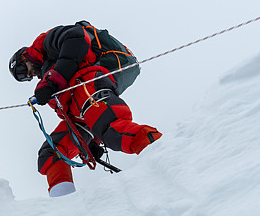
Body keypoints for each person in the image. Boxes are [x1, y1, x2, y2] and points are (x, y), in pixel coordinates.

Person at [9, 21, 161, 197]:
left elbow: (76, 36)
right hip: (78, 114)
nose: (28, 76)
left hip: (88, 87)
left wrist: (51, 82)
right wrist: (93, 142)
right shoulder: (47, 73)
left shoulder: (43, 45)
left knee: (113, 131)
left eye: (22, 71)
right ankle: (63, 205)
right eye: (23, 79)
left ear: (23, 57)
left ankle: (168, 156)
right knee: (51, 154)